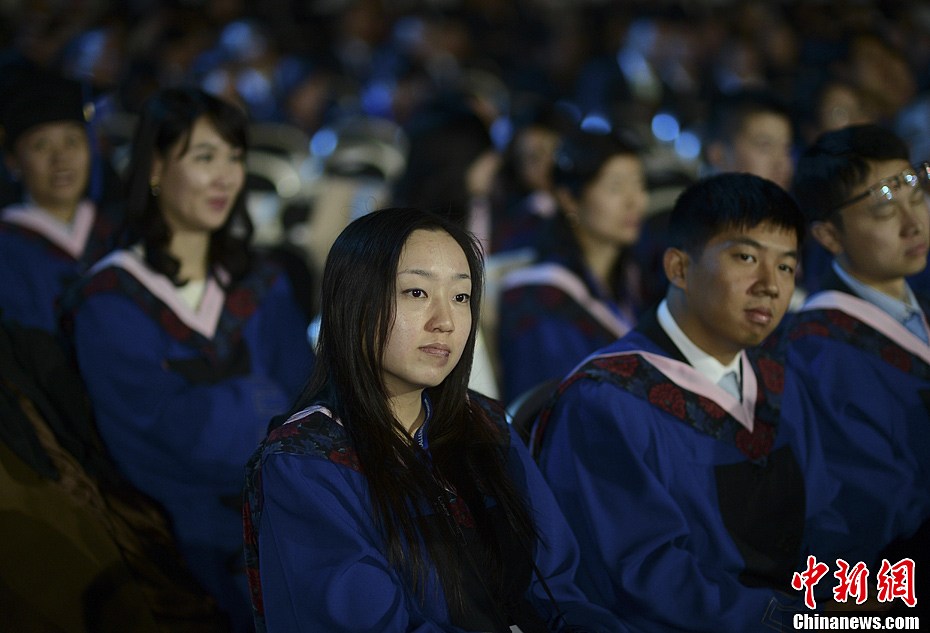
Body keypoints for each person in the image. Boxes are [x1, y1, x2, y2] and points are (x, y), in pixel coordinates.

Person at [243, 207, 624, 633]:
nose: (445, 322)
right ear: (354, 300)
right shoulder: (308, 461)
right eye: (417, 293)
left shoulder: (486, 424)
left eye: (460, 298)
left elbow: (559, 590)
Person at [533, 173, 843, 631]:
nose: (770, 285)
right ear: (679, 268)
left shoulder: (778, 381)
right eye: (746, 257)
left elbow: (825, 520)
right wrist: (792, 621)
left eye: (785, 266)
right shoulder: (606, 400)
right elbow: (643, 578)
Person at [63, 87, 314, 632]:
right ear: (155, 166)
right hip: (182, 541)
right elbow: (154, 436)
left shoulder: (262, 283)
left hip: (291, 513)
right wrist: (257, 400)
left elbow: (306, 406)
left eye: (234, 158)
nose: (225, 176)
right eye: (204, 158)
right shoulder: (110, 299)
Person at [785, 123, 930, 613]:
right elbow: (870, 507)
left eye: (916, 195)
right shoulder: (819, 350)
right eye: (886, 209)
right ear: (828, 234)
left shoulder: (922, 307)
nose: (913, 224)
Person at [496, 128, 646, 404]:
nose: (635, 201)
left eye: (639, 184)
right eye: (616, 187)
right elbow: (542, 405)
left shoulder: (632, 277)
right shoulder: (540, 298)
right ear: (568, 198)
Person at [0, 69, 121, 334]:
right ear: (12, 162)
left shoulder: (118, 231)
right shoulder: (7, 247)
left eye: (72, 141)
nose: (61, 159)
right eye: (41, 146)